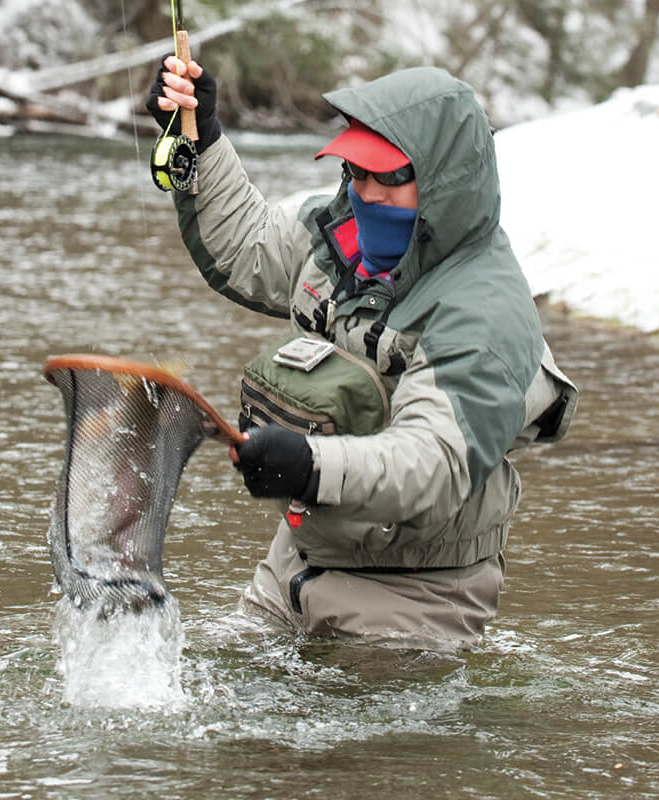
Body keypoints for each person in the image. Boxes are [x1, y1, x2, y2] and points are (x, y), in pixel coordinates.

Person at [147, 58, 577, 650]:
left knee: (364, 745)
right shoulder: (343, 231)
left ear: (443, 180)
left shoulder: (486, 314)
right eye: (355, 171)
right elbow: (248, 247)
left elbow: (431, 462)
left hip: (415, 596)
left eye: (386, 177)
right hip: (297, 562)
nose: (364, 192)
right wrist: (204, 136)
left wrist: (309, 464)